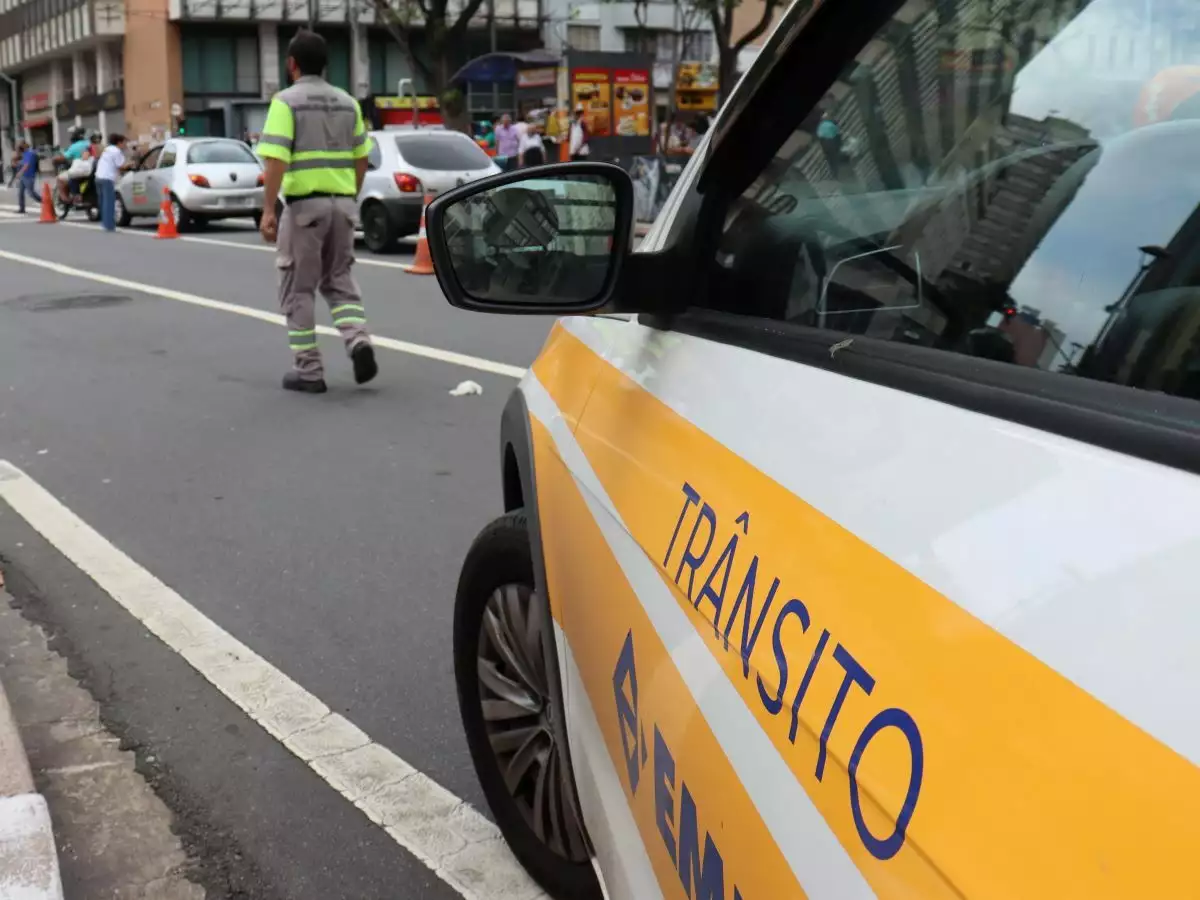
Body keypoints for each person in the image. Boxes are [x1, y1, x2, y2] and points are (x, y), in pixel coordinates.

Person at [256, 29, 378, 394]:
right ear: (326, 65)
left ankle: (308, 370)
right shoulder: (348, 103)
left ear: (291, 64)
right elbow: (362, 157)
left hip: (305, 208)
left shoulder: (286, 102)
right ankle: (358, 341)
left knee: (298, 288)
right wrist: (348, 198)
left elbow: (275, 159)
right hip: (342, 204)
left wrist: (268, 210)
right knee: (339, 281)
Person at [94, 133, 126, 231]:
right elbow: (121, 166)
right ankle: (109, 225)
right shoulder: (116, 151)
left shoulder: (107, 149)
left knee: (103, 202)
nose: (125, 145)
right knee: (109, 202)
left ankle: (105, 223)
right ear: (119, 142)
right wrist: (131, 164)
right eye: (124, 143)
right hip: (107, 178)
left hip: (98, 177)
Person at [57, 127, 91, 201]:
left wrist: (55, 159)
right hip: (91, 171)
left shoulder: (74, 146)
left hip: (79, 171)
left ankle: (66, 199)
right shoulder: (89, 143)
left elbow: (64, 157)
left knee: (60, 178)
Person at [17, 142, 39, 214]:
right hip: (24, 176)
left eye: (21, 147)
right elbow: (24, 163)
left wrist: (20, 172)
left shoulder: (29, 153)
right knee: (20, 193)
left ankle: (45, 202)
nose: (20, 149)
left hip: (29, 176)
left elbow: (27, 164)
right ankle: (22, 209)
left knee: (31, 193)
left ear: (25, 147)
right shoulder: (25, 154)